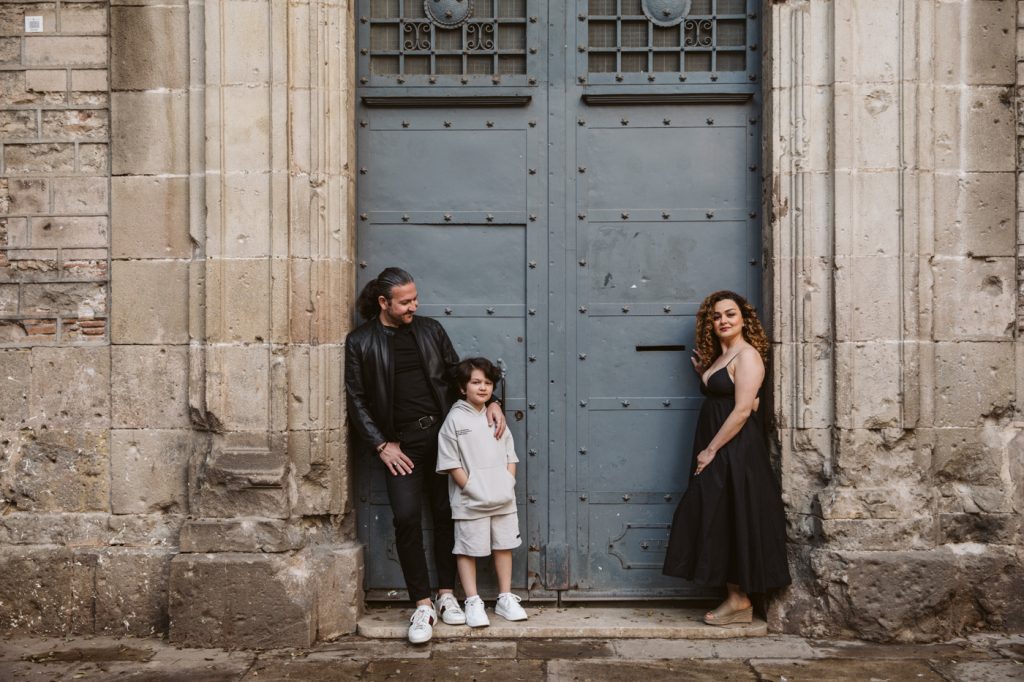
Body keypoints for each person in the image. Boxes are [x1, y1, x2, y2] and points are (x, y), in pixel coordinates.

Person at [345, 267, 507, 644]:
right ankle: (422, 603)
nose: (413, 306)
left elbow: (457, 375)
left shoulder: (430, 330)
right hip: (401, 445)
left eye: (415, 299)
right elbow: (355, 397)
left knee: (446, 514)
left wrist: (493, 400)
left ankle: (447, 595)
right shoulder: (361, 341)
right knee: (405, 518)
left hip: (444, 440)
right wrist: (381, 444)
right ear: (384, 302)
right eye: (405, 302)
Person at [662, 290, 791, 625]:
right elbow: (729, 394)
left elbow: (743, 410)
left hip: (734, 449)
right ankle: (735, 597)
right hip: (721, 444)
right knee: (718, 514)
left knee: (730, 513)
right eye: (717, 316)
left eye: (730, 314)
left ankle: (740, 599)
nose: (723, 321)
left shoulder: (747, 355)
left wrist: (711, 449)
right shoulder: (724, 355)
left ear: (743, 318)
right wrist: (707, 372)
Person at [436, 357, 528, 628]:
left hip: (501, 497)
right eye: (476, 382)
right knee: (468, 548)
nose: (483, 387)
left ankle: (504, 597)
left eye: (488, 383)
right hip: (470, 500)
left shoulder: (495, 416)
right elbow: (450, 462)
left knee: (504, 545)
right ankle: (473, 600)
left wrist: (507, 483)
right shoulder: (454, 419)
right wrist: (472, 487)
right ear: (462, 387)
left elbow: (510, 453)